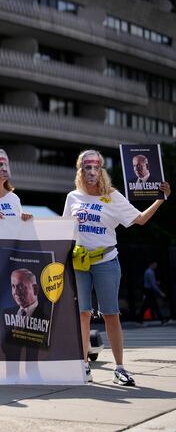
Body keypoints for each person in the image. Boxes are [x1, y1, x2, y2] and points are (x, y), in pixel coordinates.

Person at [63, 149, 170, 385]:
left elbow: (140, 219)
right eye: (86, 167)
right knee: (82, 314)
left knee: (111, 314)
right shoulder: (73, 197)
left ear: (102, 170)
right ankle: (83, 365)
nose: (91, 171)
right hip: (79, 263)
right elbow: (64, 230)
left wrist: (160, 200)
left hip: (106, 261)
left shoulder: (113, 196)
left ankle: (120, 368)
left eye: (95, 167)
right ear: (79, 170)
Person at [137, 261, 168, 325]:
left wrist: (155, 282)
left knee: (148, 305)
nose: (156, 266)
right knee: (151, 305)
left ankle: (139, 319)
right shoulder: (150, 272)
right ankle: (162, 319)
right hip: (149, 291)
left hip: (148, 290)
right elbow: (153, 285)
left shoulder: (148, 271)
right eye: (155, 264)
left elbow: (151, 282)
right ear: (151, 264)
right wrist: (161, 292)